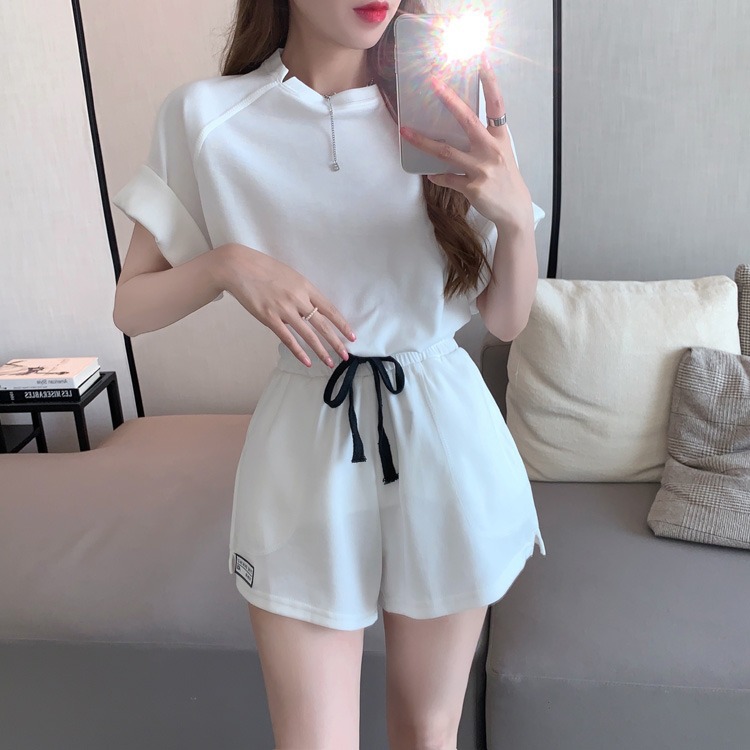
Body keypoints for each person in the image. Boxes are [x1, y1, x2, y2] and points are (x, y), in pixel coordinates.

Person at [112, 1, 546, 748]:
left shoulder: (443, 106)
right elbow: (131, 307)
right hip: (307, 442)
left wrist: (512, 218)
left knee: (427, 733)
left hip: (447, 435)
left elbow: (505, 320)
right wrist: (227, 265)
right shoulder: (207, 117)